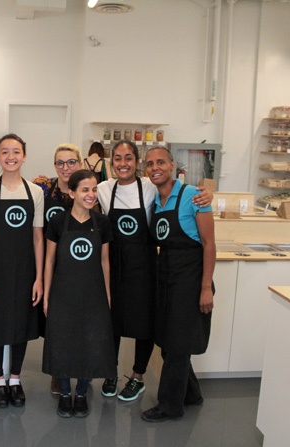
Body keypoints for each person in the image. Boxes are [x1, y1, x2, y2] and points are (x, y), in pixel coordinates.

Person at [97, 140, 213, 401]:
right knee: (111, 322)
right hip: (115, 266)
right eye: (117, 158)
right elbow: (76, 190)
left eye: (129, 158)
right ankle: (110, 372)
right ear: (111, 162)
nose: (123, 163)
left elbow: (182, 192)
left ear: (136, 163)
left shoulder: (151, 185)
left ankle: (138, 377)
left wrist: (206, 194)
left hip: (146, 268)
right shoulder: (103, 188)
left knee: (145, 324)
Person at [140, 146, 216, 423]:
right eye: (150, 164)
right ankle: (191, 394)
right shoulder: (155, 201)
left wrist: (206, 287)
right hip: (166, 277)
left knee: (177, 344)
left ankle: (170, 406)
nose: (155, 167)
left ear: (172, 165)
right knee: (172, 342)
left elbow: (209, 244)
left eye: (161, 162)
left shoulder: (193, 196)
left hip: (191, 279)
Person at [0, 134, 45, 408]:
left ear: (24, 156)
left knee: (21, 324)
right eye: (5, 151)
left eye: (16, 151)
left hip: (25, 270)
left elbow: (38, 237)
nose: (11, 156)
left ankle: (15, 379)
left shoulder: (35, 192)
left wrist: (39, 277)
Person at [43, 169, 116, 418]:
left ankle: (82, 393)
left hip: (93, 293)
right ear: (72, 192)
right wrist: (46, 295)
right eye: (85, 189)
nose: (91, 194)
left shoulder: (102, 222)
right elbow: (49, 260)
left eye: (94, 189)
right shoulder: (57, 222)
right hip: (62, 293)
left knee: (89, 342)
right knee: (63, 342)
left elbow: (105, 261)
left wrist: (107, 295)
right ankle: (65, 393)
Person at [32, 143, 84, 395]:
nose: (66, 167)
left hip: (79, 266)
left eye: (71, 162)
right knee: (54, 323)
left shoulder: (88, 189)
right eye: (61, 163)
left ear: (80, 163)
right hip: (50, 264)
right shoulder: (42, 188)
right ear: (54, 166)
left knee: (79, 322)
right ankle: (58, 373)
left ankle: (82, 370)